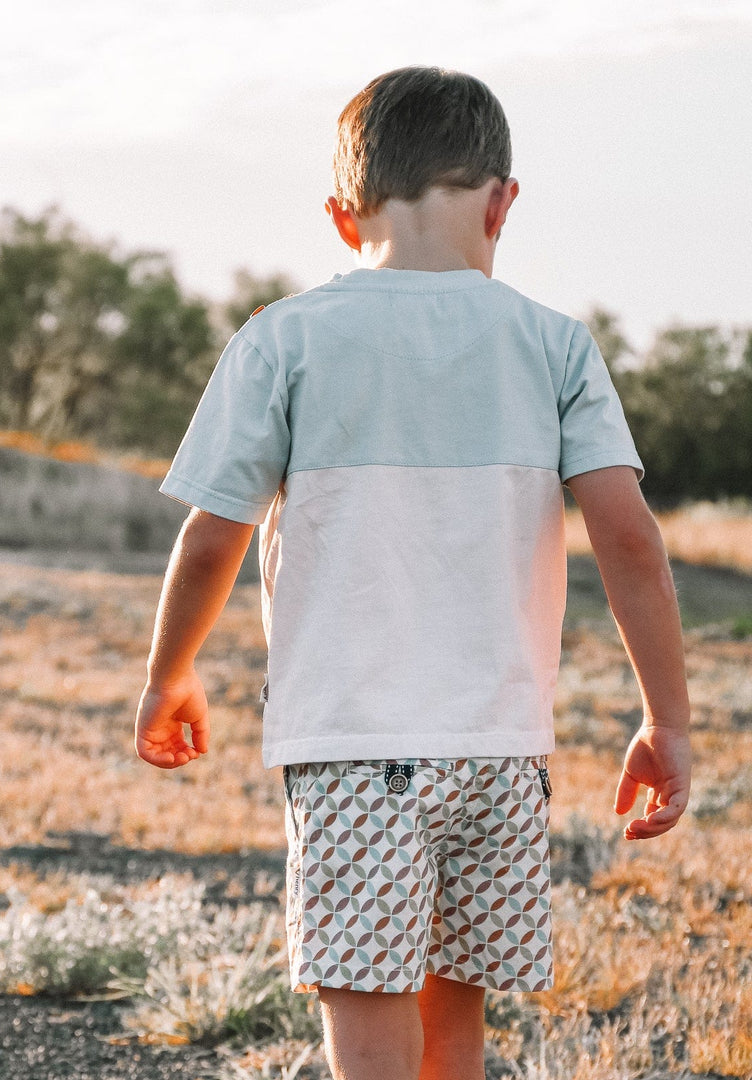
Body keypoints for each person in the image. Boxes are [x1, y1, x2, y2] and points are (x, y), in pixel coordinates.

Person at [133, 66, 691, 1080]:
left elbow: (214, 536)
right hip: (499, 749)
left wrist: (167, 675)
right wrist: (668, 721)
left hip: (355, 746)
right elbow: (631, 541)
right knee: (452, 1021)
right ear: (501, 203)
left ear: (346, 217)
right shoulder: (556, 345)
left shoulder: (283, 339)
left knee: (368, 1013)